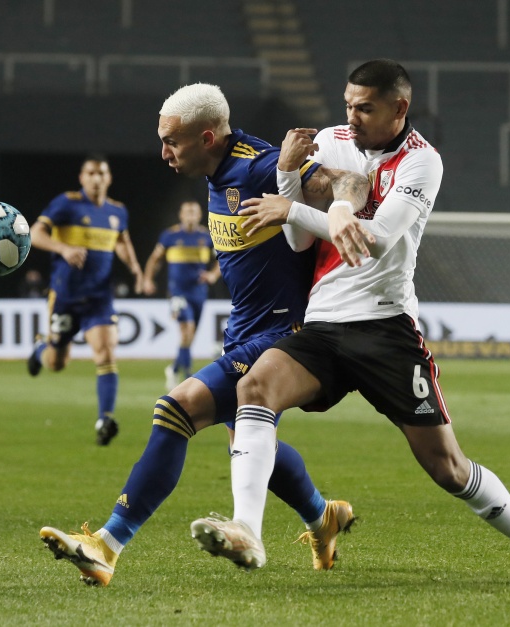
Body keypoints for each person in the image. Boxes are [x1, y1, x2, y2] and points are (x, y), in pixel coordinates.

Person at [189, 59, 510, 587]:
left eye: (365, 107)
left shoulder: (422, 162)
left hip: (385, 327)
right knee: (255, 387)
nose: (352, 118)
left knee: (447, 467)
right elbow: (299, 243)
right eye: (348, 105)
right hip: (324, 321)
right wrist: (290, 179)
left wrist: (295, 209)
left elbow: (375, 239)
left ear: (399, 108)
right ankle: (247, 528)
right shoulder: (333, 141)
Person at [38, 83, 359, 586]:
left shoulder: (259, 165)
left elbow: (345, 184)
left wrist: (322, 198)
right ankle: (324, 517)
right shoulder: (217, 168)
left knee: (176, 406)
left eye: (173, 142)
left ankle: (106, 545)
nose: (163, 152)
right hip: (246, 327)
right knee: (251, 446)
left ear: (207, 137)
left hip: (285, 332)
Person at [26, 155, 144, 446]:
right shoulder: (66, 203)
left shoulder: (117, 211)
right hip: (64, 296)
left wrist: (136, 270)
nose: (96, 178)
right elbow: (35, 232)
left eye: (101, 173)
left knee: (105, 354)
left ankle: (105, 418)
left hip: (99, 298)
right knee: (57, 363)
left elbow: (122, 241)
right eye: (91, 173)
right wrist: (63, 248)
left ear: (109, 178)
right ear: (82, 178)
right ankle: (43, 346)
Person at [142, 200, 219, 390]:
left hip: (199, 293)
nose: (191, 215)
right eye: (188, 212)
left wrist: (212, 275)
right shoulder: (170, 236)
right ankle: (188, 376)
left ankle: (174, 368)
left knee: (189, 336)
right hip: (177, 293)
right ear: (181, 215)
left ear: (200, 215)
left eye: (194, 212)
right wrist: (148, 279)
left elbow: (222, 260)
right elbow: (155, 260)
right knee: (186, 329)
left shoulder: (207, 236)